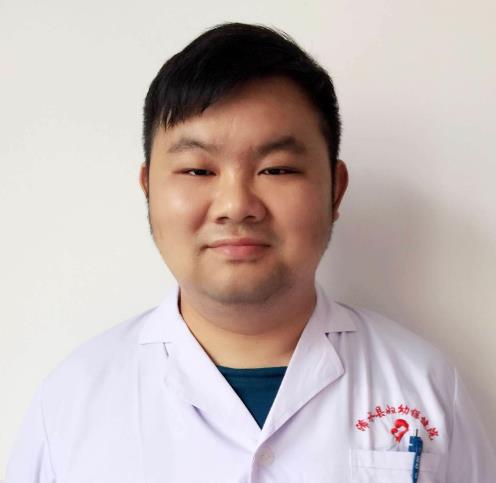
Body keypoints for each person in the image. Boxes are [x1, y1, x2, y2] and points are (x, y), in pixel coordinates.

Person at [5, 22, 495, 483]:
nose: (236, 205)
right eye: (198, 170)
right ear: (148, 187)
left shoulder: (427, 387)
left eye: (276, 169)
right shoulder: (71, 402)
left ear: (335, 189)